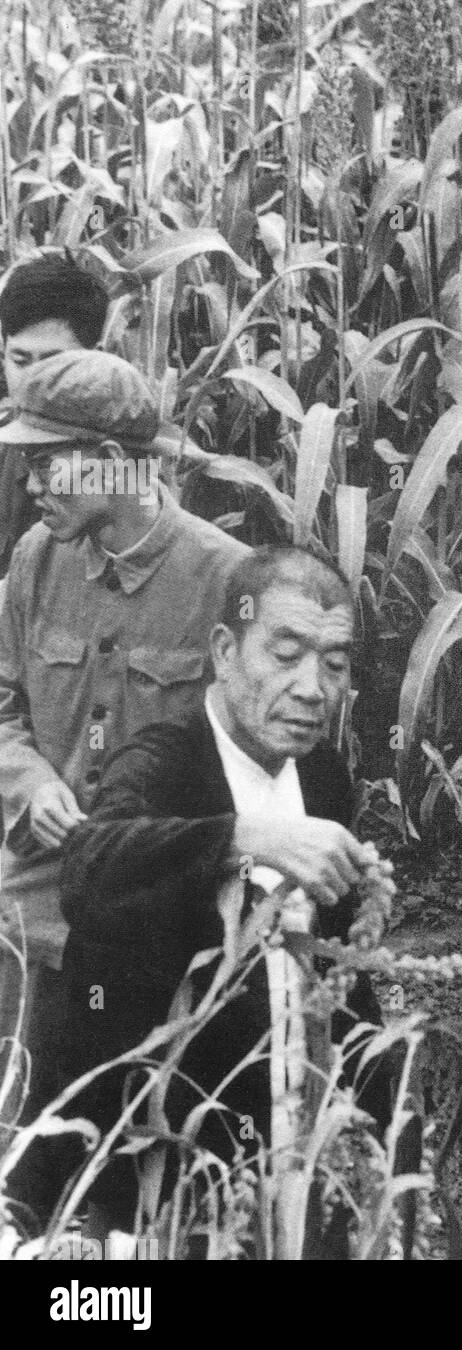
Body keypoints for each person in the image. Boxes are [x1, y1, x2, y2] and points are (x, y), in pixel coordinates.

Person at [55, 546, 389, 1241]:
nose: (311, 688)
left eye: (334, 664)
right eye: (285, 654)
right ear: (224, 651)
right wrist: (244, 837)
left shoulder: (322, 775)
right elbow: (89, 868)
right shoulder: (161, 762)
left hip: (297, 1147)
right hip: (176, 1161)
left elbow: (337, 980)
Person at [0, 349, 247, 1220]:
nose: (31, 482)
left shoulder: (228, 579)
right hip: (36, 933)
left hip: (159, 950)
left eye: (47, 459)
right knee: (26, 1166)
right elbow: (2, 707)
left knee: (144, 1177)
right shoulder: (36, 561)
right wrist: (28, 782)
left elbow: (265, 767)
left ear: (119, 461)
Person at [0, 255, 110, 577]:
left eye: (53, 363)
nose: (35, 380)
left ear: (96, 359)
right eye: (20, 361)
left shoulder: (125, 464)